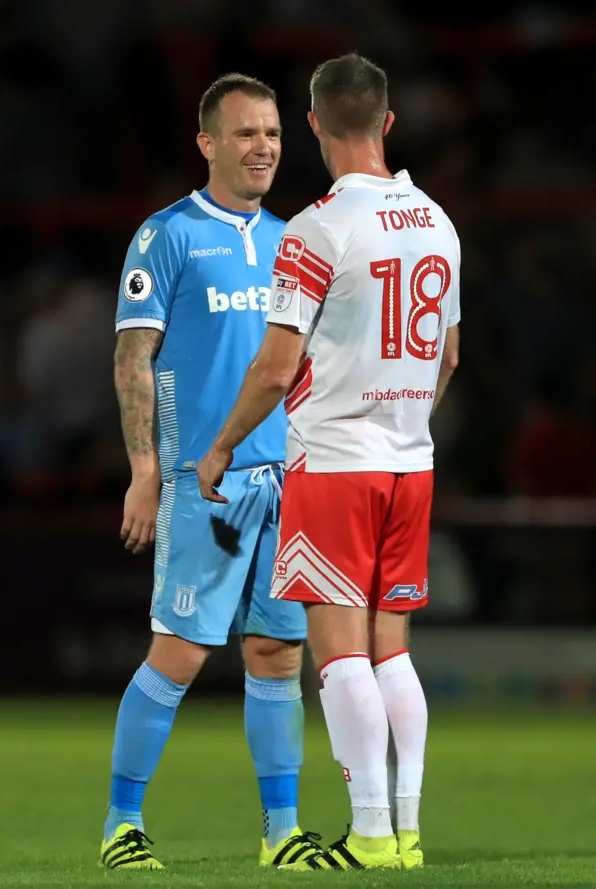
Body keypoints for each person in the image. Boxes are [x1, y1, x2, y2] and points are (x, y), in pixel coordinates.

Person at [198, 53, 461, 872]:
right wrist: (405, 420)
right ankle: (409, 831)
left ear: (312, 125)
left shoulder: (316, 229)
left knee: (340, 652)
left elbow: (276, 368)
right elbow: (448, 355)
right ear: (387, 122)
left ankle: (372, 835)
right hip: (409, 463)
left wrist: (222, 444)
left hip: (336, 466)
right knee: (394, 650)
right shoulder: (440, 221)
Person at [101, 73, 321, 871]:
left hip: (287, 480)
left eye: (271, 132)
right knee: (182, 652)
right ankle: (122, 823)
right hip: (207, 481)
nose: (262, 146)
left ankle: (282, 830)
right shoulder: (167, 237)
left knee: (276, 655)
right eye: (244, 134)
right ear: (207, 144)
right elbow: (134, 356)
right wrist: (144, 468)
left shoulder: (295, 239)